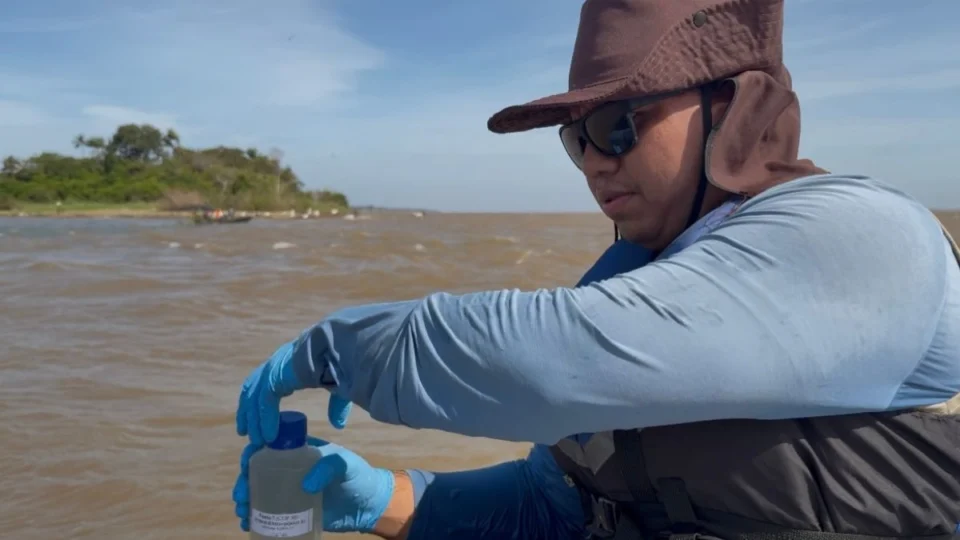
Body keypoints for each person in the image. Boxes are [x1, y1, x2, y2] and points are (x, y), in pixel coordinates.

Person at [232, 0, 960, 538]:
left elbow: (545, 367)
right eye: (575, 140)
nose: (595, 163)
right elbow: (558, 504)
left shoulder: (859, 236)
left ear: (734, 107)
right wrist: (382, 497)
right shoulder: (635, 276)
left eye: (619, 124)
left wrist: (338, 347)